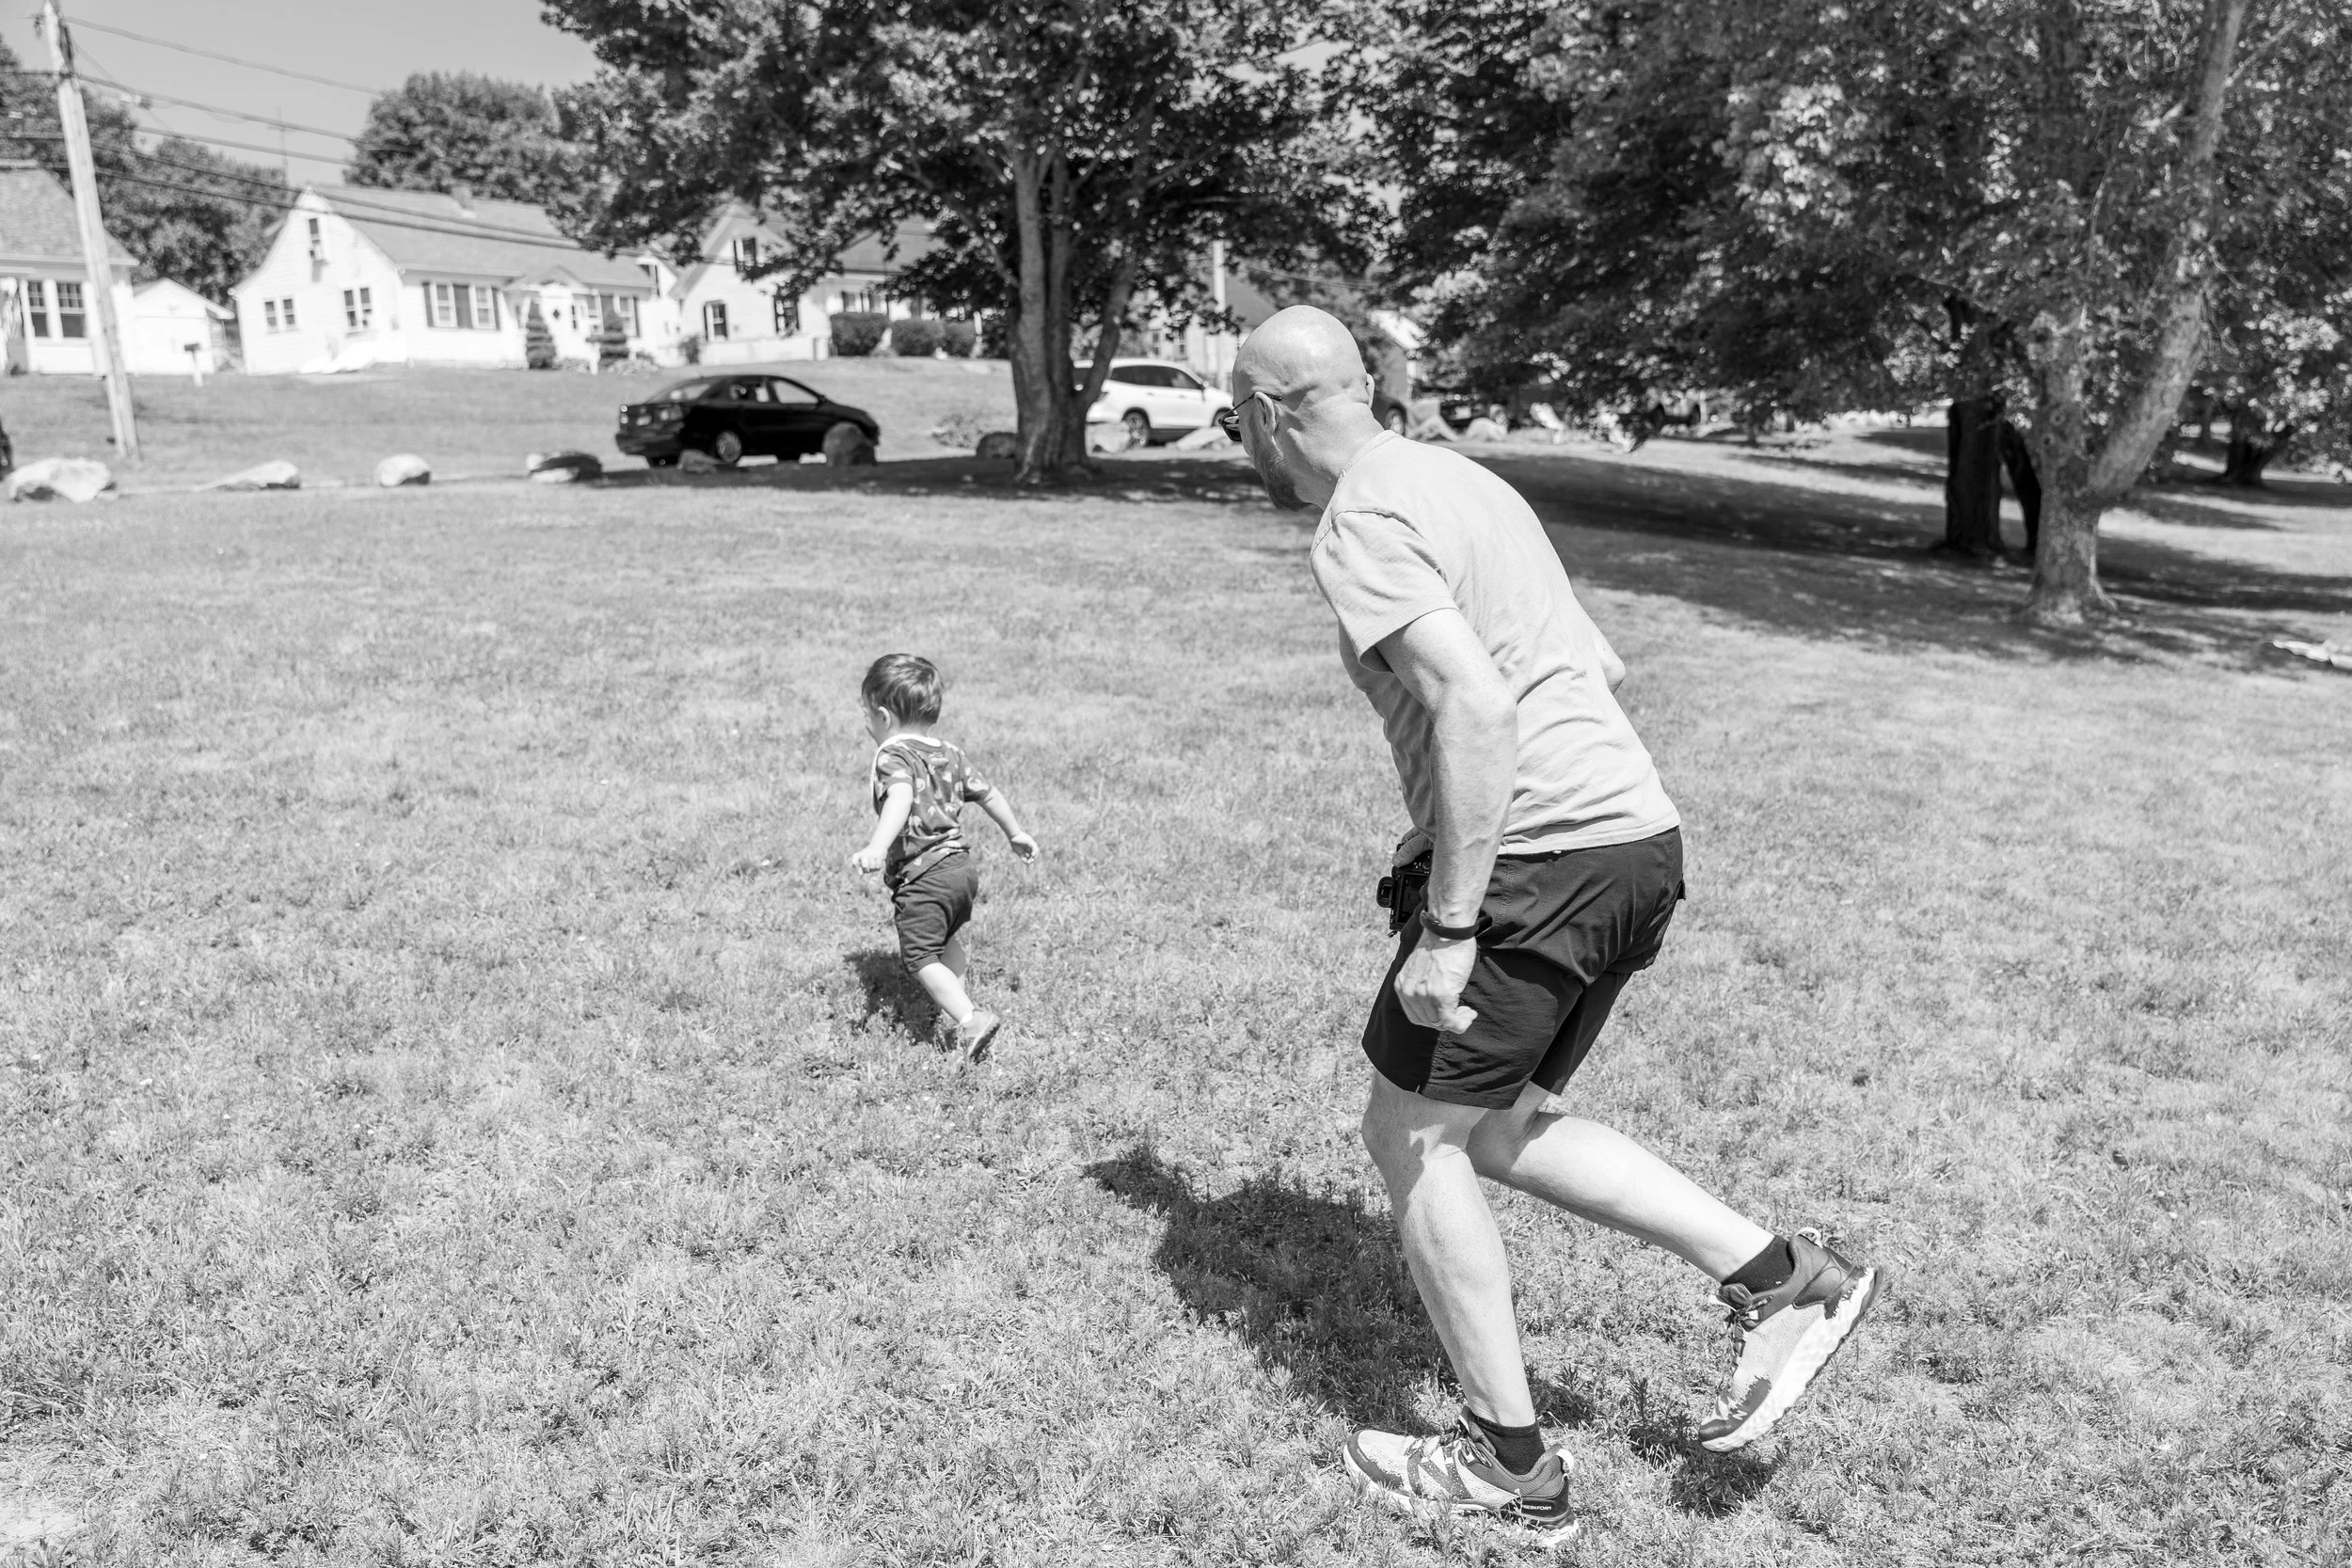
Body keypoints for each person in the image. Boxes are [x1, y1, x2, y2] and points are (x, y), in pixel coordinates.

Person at [1217, 308, 1883, 1530]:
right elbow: (1602, 664)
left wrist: (1453, 922)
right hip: (1633, 840)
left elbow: (1475, 702)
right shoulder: (1465, 482)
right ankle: (1787, 1275)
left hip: (1536, 859)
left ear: (1268, 410)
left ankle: (1511, 1469)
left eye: (1230, 418)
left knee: (1412, 1135)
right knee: (1497, 1119)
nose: (1239, 442)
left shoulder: (1360, 512)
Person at [848, 654, 1038, 1059]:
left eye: (866, 714)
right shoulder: (950, 752)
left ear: (882, 716)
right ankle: (957, 1003)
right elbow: (988, 793)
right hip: (960, 869)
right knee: (945, 940)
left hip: (923, 874)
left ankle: (970, 1019)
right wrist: (1016, 833)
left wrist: (878, 847)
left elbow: (900, 795)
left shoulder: (892, 755)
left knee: (919, 956)